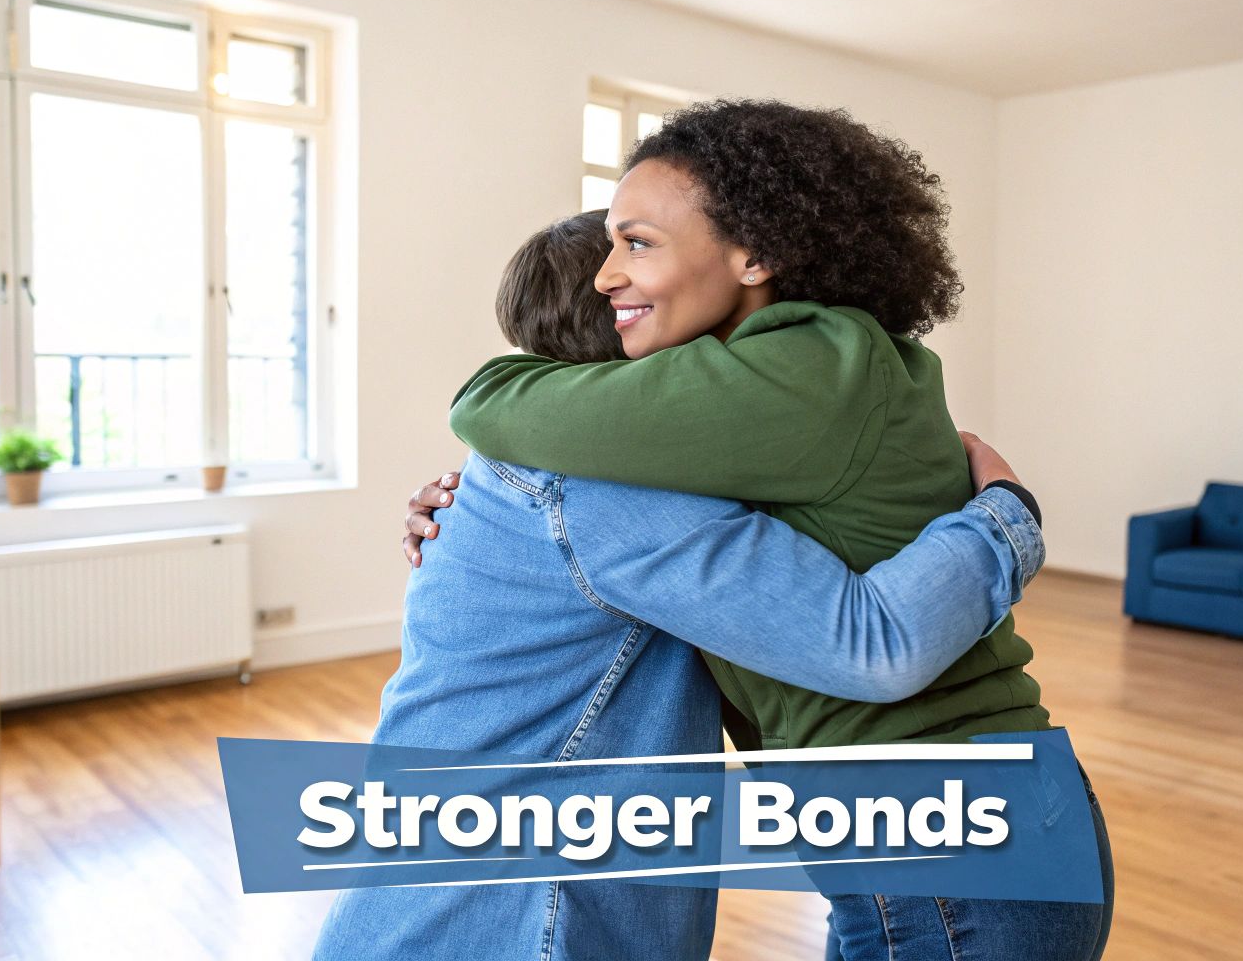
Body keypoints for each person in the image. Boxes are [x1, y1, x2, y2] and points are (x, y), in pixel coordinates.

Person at [439, 100, 1112, 960]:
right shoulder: (808, 369)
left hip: (948, 846)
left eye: (637, 243)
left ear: (756, 254)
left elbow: (494, 404)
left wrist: (1009, 522)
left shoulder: (803, 372)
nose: (609, 275)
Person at [313, 210, 1048, 961]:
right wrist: (1004, 515)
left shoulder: (521, 475)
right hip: (505, 917)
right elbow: (875, 642)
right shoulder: (608, 490)